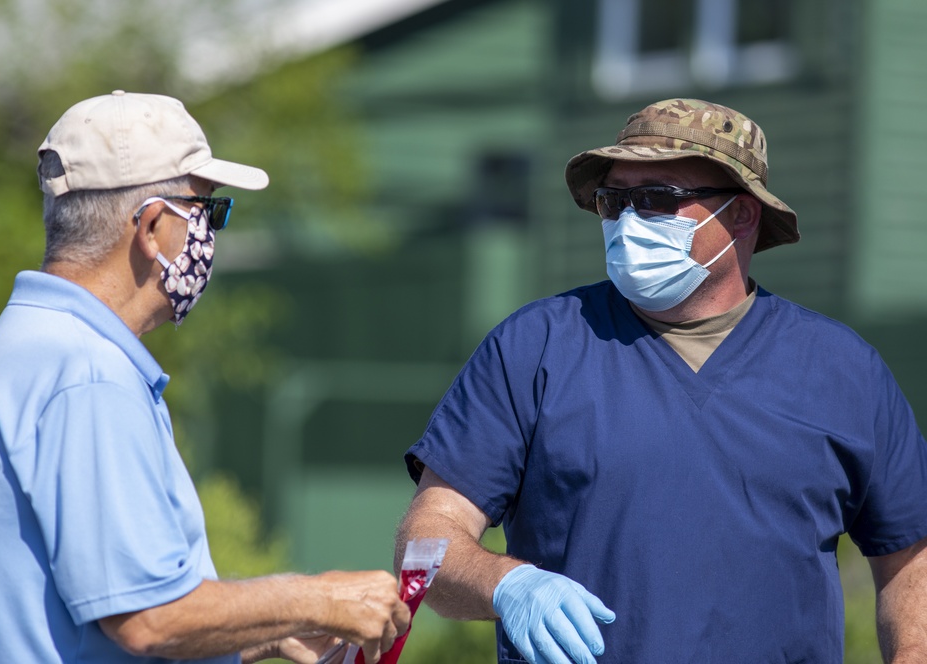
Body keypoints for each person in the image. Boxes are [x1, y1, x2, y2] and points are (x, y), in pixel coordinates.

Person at [394, 98, 927, 663]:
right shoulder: (536, 347)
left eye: (655, 200)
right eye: (613, 201)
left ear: (742, 216)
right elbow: (425, 542)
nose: (627, 221)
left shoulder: (842, 369)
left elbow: (910, 558)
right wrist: (507, 583)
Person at [0, 91, 410, 664]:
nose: (211, 236)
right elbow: (148, 620)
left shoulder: (36, 337)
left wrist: (269, 629)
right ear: (153, 226)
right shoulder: (88, 374)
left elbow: (95, 604)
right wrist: (319, 599)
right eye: (208, 213)